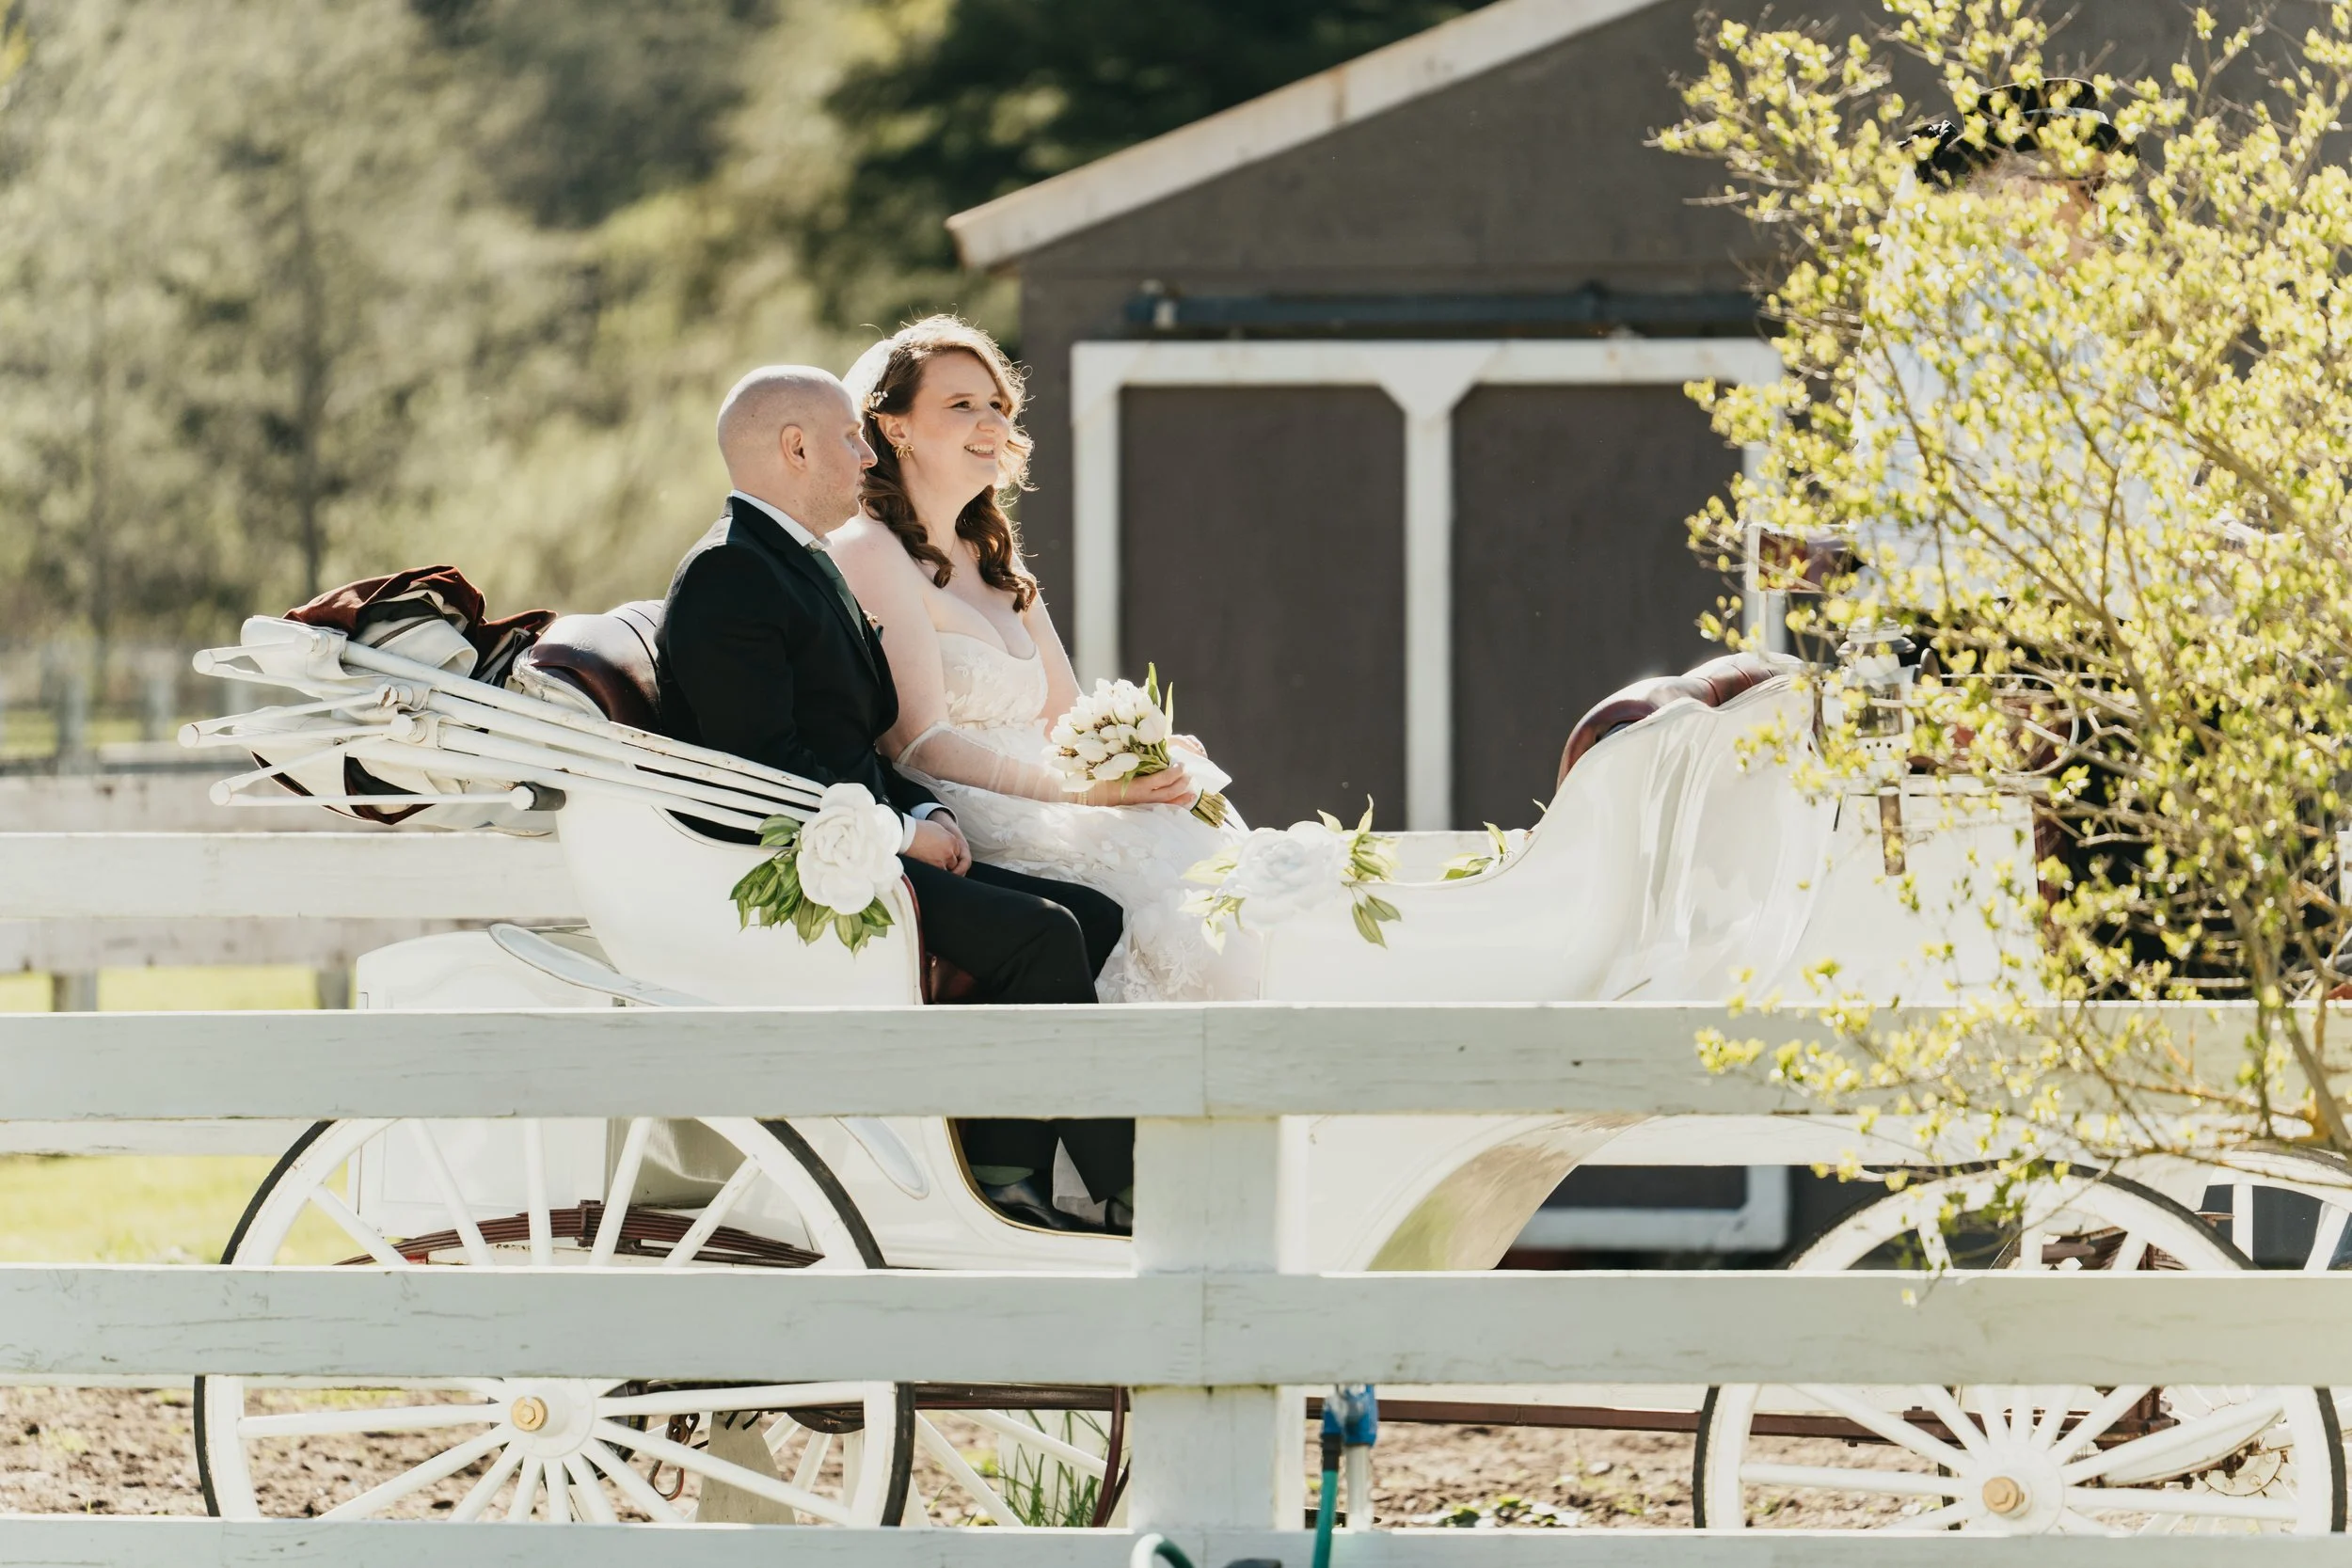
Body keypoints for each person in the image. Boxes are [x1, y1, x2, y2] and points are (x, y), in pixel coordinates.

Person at [654, 363, 1131, 1233]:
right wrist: (900, 834)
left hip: (867, 831)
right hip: (803, 860)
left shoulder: (800, 560)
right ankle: (1127, 1189)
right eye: (850, 438)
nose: (867, 454)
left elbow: (856, 735)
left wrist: (923, 810)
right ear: (795, 448)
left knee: (1093, 914)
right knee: (1043, 934)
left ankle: (1006, 1164)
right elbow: (763, 767)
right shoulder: (730, 573)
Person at [825, 317, 1259, 1009]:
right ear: (895, 426)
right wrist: (1085, 795)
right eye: (961, 404)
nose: (992, 422)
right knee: (1170, 901)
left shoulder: (991, 554)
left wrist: (1138, 754)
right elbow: (919, 742)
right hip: (972, 809)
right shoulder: (869, 549)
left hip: (1048, 788)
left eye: (998, 404)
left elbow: (1063, 713)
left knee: (1217, 857)